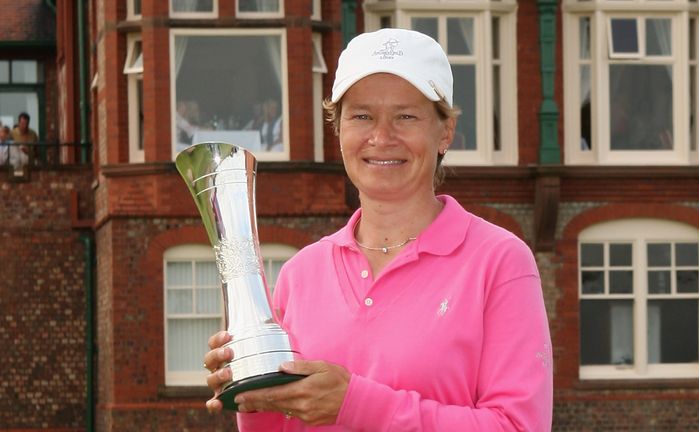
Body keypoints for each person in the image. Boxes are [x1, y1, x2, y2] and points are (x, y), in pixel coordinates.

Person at [203, 28, 553, 431]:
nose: (382, 137)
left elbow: (519, 426)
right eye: (362, 116)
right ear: (338, 131)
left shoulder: (499, 261)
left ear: (445, 133)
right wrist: (251, 386)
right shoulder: (302, 273)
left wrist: (355, 404)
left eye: (406, 116)